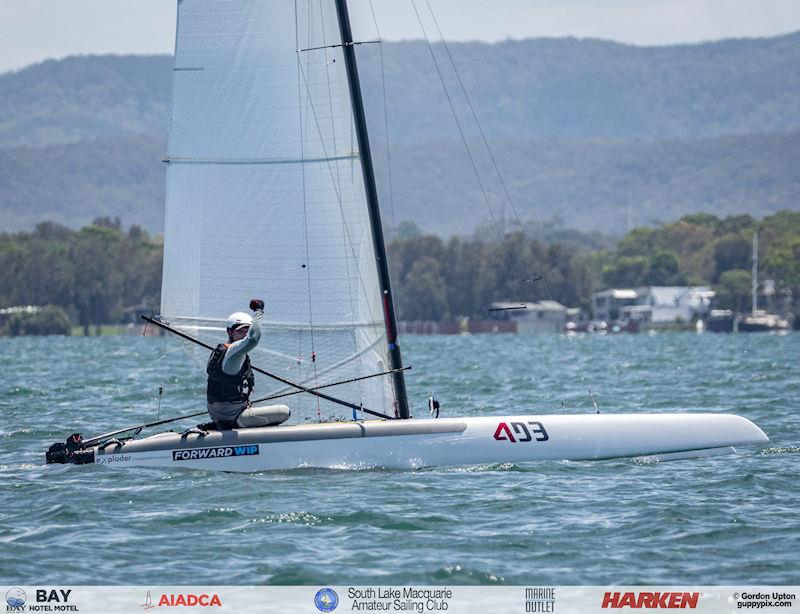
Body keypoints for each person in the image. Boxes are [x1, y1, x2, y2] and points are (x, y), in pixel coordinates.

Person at [206, 298, 290, 429]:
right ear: (230, 332)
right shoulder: (233, 352)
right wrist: (258, 311)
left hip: (221, 416)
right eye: (241, 331)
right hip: (233, 417)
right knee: (284, 412)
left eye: (247, 330)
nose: (245, 335)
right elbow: (253, 339)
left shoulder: (223, 351)